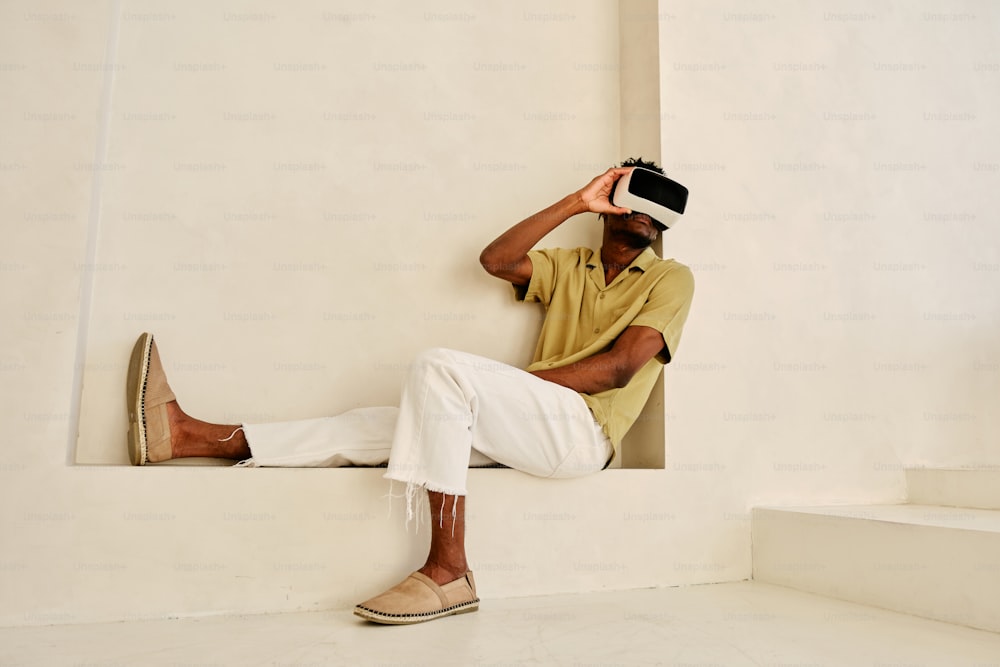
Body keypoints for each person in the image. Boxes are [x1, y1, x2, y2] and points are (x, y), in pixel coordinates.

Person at [124, 158, 694, 625]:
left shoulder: (673, 278)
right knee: (378, 423)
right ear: (614, 201)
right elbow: (496, 260)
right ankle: (191, 436)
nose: (646, 217)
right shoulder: (571, 265)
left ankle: (448, 569)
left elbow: (619, 369)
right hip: (527, 422)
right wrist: (578, 199)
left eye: (659, 212)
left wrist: (491, 391)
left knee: (439, 369)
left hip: (581, 433)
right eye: (635, 199)